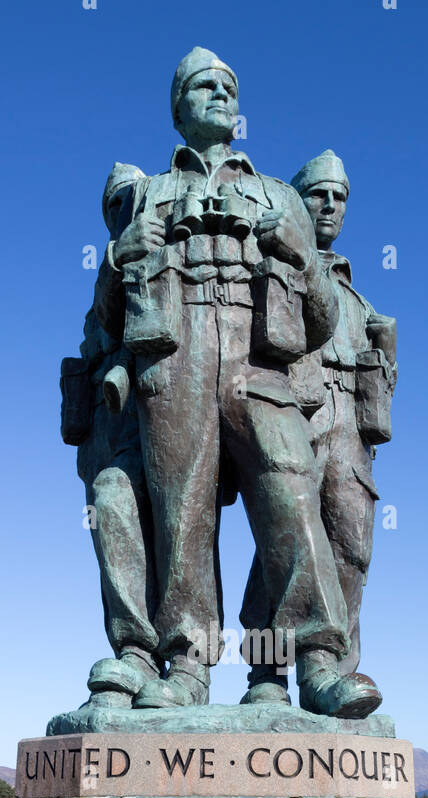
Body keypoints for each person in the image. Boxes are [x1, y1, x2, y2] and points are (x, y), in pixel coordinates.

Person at [93, 48, 381, 717]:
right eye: (202, 85)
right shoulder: (146, 194)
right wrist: (117, 260)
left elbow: (320, 320)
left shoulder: (280, 195)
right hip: (174, 357)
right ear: (178, 105)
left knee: (291, 499)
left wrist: (305, 258)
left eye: (228, 86)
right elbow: (107, 313)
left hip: (259, 362)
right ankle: (187, 663)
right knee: (180, 513)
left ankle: (316, 660)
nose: (218, 93)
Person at [241, 150, 397, 707]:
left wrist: (388, 354)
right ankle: (266, 674)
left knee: (351, 549)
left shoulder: (358, 298)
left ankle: (337, 671)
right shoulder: (274, 260)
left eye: (340, 196)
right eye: (318, 194)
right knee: (284, 541)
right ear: (296, 202)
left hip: (350, 425)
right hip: (298, 411)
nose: (330, 204)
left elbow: (383, 383)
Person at [60, 163, 163, 708]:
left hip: (165, 418)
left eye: (135, 199)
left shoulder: (161, 257)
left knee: (173, 535)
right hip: (109, 431)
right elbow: (103, 323)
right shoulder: (113, 268)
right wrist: (118, 258)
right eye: (116, 204)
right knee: (113, 517)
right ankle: (134, 653)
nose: (127, 210)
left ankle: (183, 660)